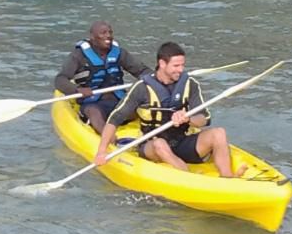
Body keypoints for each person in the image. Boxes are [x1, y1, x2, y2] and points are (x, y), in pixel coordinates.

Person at [96, 42, 246, 177]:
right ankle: (190, 179)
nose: (180, 70)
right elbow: (115, 118)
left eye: (182, 65)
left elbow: (204, 119)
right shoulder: (142, 88)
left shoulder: (190, 84)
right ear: (162, 63)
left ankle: (228, 178)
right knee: (160, 144)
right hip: (152, 145)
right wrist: (102, 151)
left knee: (218, 133)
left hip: (182, 141)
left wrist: (188, 119)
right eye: (176, 66)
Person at [54, 23, 150, 131]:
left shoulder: (119, 53)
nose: (108, 35)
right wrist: (77, 90)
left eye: (110, 32)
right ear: (92, 37)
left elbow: (143, 71)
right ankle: (106, 138)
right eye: (103, 33)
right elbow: (60, 80)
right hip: (93, 103)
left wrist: (148, 81)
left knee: (141, 108)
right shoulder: (79, 55)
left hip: (119, 102)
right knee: (94, 113)